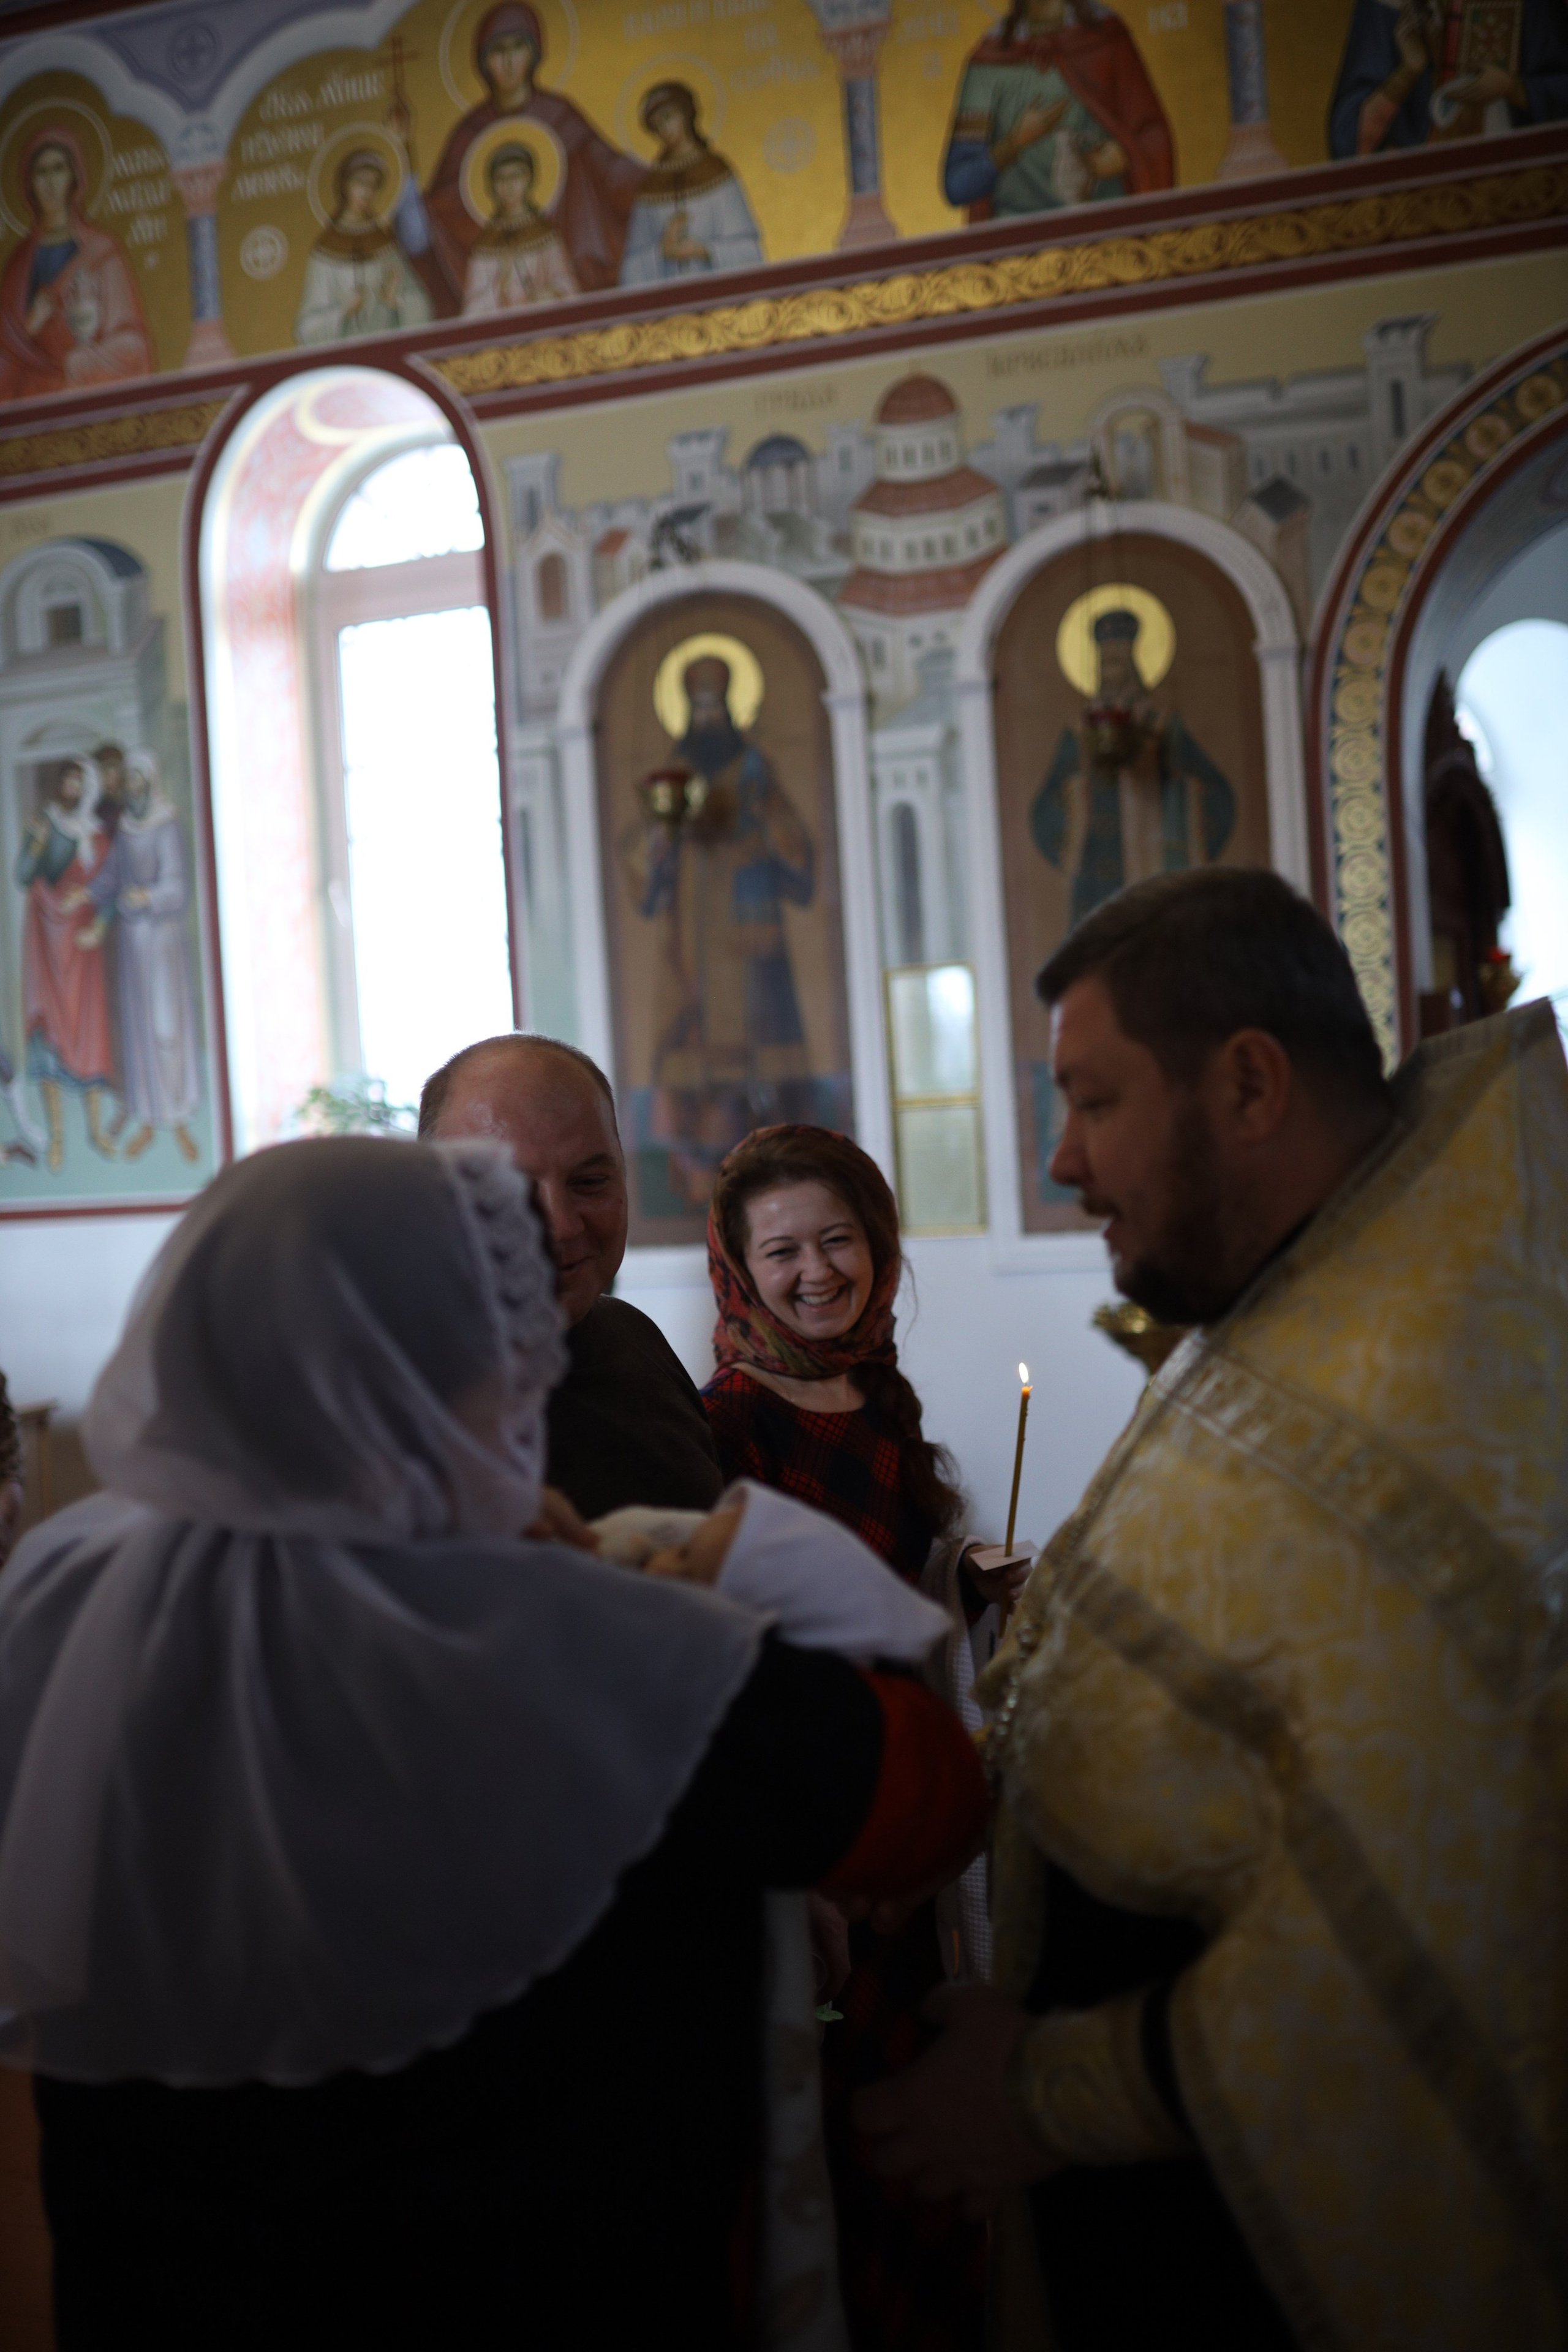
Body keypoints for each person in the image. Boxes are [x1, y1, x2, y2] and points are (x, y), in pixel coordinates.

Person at [2, 1133, 989, 2350]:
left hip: (174, 2281)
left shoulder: (67, 1595)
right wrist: (715, 1566)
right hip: (528, 2282)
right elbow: (923, 1797)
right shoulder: (577, 1630)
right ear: (470, 1369)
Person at [856, 867, 1568, 2350]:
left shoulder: (1423, 1374)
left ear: (1246, 1082)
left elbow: (1425, 1939)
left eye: (1092, 1099)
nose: (1058, 1161)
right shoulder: (1328, 1266)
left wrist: (1038, 2090)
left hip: (1265, 2259)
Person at [703, 1124, 1028, 2352]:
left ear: (880, 1249)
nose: (814, 1274)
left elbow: (895, 1581)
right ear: (737, 1270)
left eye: (837, 1240)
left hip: (914, 1834)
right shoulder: (727, 1424)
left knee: (922, 2144)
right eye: (779, 1251)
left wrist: (965, 1575)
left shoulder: (874, 1394)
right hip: (828, 1829)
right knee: (840, 2136)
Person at [420, 1031, 723, 1516]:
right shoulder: (393, 1405)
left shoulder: (631, 1337)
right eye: (510, 1189)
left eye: (589, 1182)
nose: (562, 1226)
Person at [620, 652, 820, 1214]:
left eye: (715, 704)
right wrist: (663, 838)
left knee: (751, 1051)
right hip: (691, 935)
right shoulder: (675, 772)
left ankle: (767, 1161)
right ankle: (698, 1165)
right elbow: (643, 858)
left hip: (746, 928)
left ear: (731, 705)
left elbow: (793, 845)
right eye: (698, 705)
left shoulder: (754, 768)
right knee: (689, 1049)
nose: (707, 716)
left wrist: (762, 832)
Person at [393, 2, 643, 309]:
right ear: (485, 63)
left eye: (518, 48)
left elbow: (612, 172)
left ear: (534, 54)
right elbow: (431, 222)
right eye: (498, 52)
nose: (509, 62)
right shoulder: (470, 133)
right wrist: (403, 149)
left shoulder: (561, 117)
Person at [1031, 607, 1235, 928]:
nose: (1112, 672)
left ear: (1134, 665)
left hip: (1157, 862)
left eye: (1119, 663)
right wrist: (1079, 785)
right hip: (1098, 876)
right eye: (1106, 663)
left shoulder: (1162, 724)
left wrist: (1170, 780)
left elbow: (1210, 790)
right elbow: (1047, 808)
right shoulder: (1079, 731)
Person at [941, 0, 1174, 224]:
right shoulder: (990, 62)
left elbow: (1152, 138)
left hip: (1106, 227)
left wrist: (1114, 159)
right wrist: (1014, 142)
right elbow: (958, 185)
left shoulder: (1107, 39)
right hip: (1019, 239)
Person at [85, 751, 200, 1165]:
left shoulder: (166, 825)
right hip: (134, 946)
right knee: (139, 1035)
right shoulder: (128, 829)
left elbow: (177, 890)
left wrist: (146, 897)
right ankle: (149, 1121)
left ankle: (180, 1118)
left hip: (162, 944)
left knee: (167, 1029)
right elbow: (112, 876)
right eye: (128, 783)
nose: (132, 789)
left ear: (149, 782)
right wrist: (86, 893)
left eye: (137, 782)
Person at [0, 127, 154, 401]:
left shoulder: (103, 251)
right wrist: (28, 327)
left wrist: (82, 361)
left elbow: (135, 345)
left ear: (74, 177)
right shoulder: (18, 264)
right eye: (41, 172)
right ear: (29, 184)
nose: (50, 182)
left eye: (58, 169)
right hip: (31, 401)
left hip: (84, 388)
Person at [14, 757, 113, 1171]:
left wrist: (98, 916)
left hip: (82, 942)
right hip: (46, 939)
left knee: (88, 1033)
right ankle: (56, 1137)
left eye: (79, 783)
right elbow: (23, 876)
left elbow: (110, 885)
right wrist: (35, 845)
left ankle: (95, 1129)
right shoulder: (46, 825)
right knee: (48, 1038)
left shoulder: (97, 835)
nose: (72, 790)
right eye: (67, 782)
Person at [1329, 0, 1568, 157]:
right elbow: (1349, 144)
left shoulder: (1533, 5)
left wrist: (1513, 88)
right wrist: (1409, 71)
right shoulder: (1387, 7)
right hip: (1416, 192)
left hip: (1513, 183)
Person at [620, 81, 764, 285]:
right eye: (656, 124)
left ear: (686, 115)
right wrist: (662, 251)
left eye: (668, 118)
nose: (664, 129)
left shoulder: (717, 172)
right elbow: (630, 270)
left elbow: (750, 252)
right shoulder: (650, 186)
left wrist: (702, 250)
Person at [295, 149, 432, 345]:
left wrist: (396, 300)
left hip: (389, 351)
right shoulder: (325, 250)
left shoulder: (385, 244)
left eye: (373, 185)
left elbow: (423, 307)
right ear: (344, 184)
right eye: (360, 182)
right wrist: (343, 311)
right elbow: (305, 329)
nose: (367, 192)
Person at [460, 140, 578, 313]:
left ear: (529, 179)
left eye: (516, 176)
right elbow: (471, 310)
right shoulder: (485, 245)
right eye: (501, 178)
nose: (509, 185)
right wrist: (500, 284)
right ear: (492, 185)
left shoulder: (546, 235)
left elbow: (568, 287)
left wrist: (550, 294)